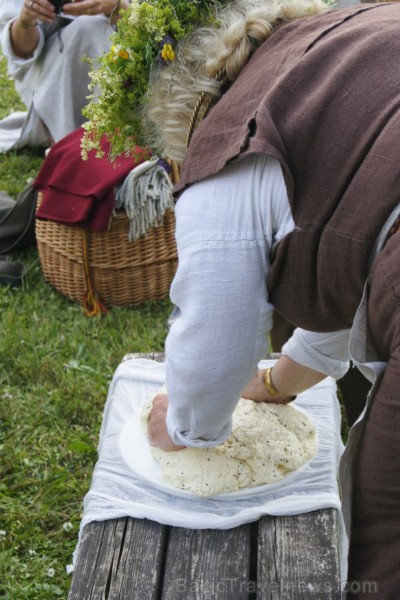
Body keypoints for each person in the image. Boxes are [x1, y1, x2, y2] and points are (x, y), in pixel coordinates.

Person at [144, 0, 400, 597]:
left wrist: (185, 424)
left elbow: (217, 329)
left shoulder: (234, 143)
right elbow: (357, 264)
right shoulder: (355, 33)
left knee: (386, 530)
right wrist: (275, 385)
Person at [0, 0, 129, 149]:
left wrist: (117, 7)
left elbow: (152, 26)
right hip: (52, 76)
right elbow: (22, 51)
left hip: (131, 56)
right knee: (88, 29)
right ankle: (84, 143)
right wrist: (26, 19)